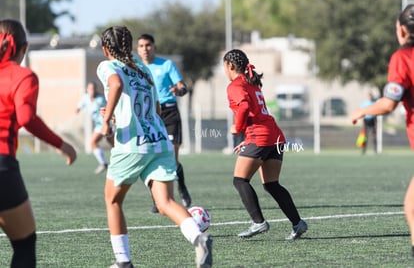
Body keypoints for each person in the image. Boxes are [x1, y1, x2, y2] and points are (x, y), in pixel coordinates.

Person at [97, 25, 212, 268]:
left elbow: (116, 85)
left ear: (106, 49)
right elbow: (156, 110)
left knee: (113, 201)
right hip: (159, 143)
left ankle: (123, 262)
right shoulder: (144, 72)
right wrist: (120, 112)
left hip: (133, 145)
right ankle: (198, 238)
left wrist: (107, 119)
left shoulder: (108, 65)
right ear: (130, 47)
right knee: (165, 203)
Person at [0, 19, 77, 267]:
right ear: (25, 48)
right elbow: (25, 117)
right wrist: (61, 144)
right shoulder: (23, 77)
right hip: (2, 166)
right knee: (24, 244)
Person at [223, 49, 308, 239]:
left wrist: (237, 128)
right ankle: (297, 223)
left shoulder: (235, 85)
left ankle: (258, 223)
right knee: (271, 184)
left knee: (239, 180)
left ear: (230, 65)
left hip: (260, 136)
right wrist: (246, 139)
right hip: (274, 136)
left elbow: (244, 107)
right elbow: (258, 113)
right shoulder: (251, 83)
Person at [350, 4, 414, 258]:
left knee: (412, 206)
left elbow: (388, 104)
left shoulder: (403, 58)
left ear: (400, 30)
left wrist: (362, 111)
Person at [136, 34, 191, 213]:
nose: (145, 49)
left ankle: (181, 187)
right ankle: (157, 200)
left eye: (148, 45)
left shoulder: (166, 65)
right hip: (148, 115)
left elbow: (183, 87)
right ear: (137, 49)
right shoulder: (135, 68)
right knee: (150, 158)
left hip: (168, 113)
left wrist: (179, 90)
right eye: (141, 46)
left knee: (172, 159)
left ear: (154, 47)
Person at [76, 81, 113, 174]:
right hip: (98, 126)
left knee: (94, 142)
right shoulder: (85, 98)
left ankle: (104, 163)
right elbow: (78, 107)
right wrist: (77, 110)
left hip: (105, 124)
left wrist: (108, 122)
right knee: (109, 143)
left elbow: (109, 109)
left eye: (93, 89)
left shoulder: (100, 99)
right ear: (87, 90)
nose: (92, 91)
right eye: (90, 89)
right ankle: (104, 163)